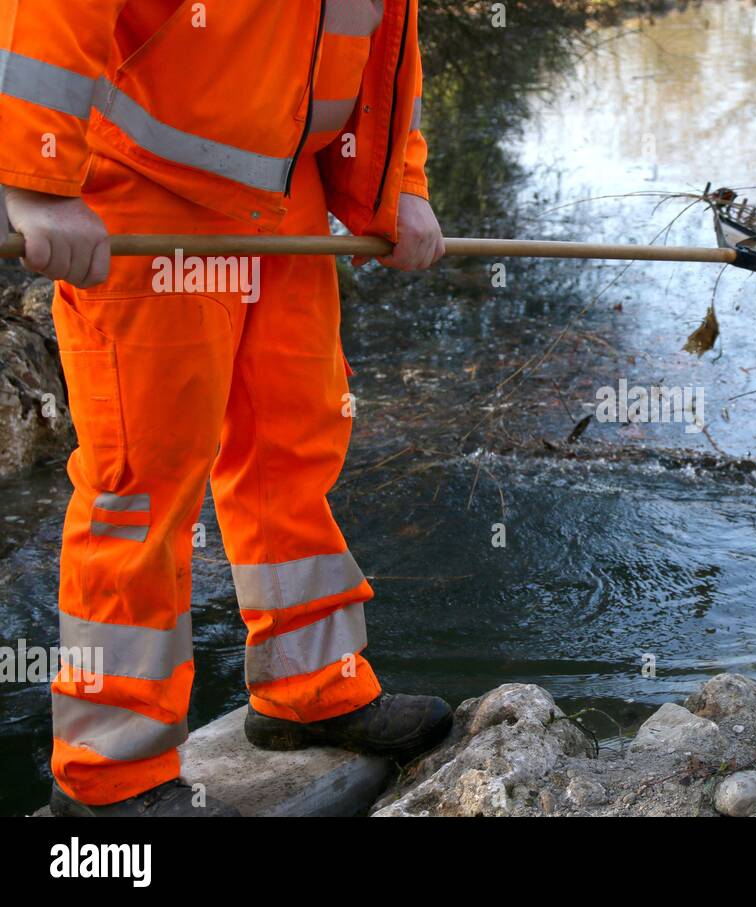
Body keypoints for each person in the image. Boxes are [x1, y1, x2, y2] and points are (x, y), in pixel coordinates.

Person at [0, 0, 453, 817]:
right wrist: (38, 181)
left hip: (289, 195)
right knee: (141, 482)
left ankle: (310, 688)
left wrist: (399, 185)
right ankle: (111, 780)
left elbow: (383, 37)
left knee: (293, 447)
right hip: (143, 188)